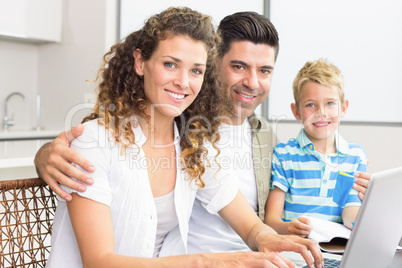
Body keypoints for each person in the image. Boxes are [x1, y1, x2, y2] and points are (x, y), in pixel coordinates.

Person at [45, 7, 323, 268]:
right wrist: (212, 262)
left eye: (196, 71)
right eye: (170, 64)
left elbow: (251, 227)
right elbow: (100, 261)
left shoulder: (192, 146)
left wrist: (271, 239)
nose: (183, 82)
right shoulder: (95, 143)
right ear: (141, 62)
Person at [265, 59, 367, 237]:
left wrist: (371, 202)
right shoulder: (284, 155)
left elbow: (351, 218)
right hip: (294, 251)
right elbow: (271, 221)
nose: (321, 112)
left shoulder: (355, 157)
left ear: (343, 108)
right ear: (296, 111)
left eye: (330, 103)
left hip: (335, 253)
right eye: (311, 105)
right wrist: (288, 229)